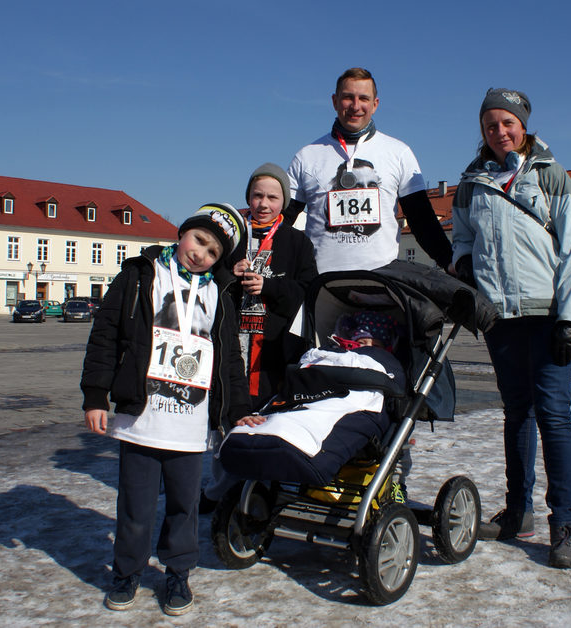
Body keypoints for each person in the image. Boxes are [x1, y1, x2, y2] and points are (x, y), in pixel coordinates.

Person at [81, 203, 252, 615]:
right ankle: (127, 573)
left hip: (190, 427)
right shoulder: (143, 275)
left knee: (184, 508)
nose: (201, 254)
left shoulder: (220, 293)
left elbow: (230, 358)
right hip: (141, 420)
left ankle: (178, 573)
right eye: (198, 240)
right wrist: (95, 395)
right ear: (183, 233)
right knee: (135, 508)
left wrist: (237, 409)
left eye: (213, 252)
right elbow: (105, 334)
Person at [451, 88, 571, 569]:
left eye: (507, 123)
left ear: (523, 125)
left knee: (554, 414)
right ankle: (519, 511)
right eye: (491, 125)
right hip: (501, 317)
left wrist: (570, 319)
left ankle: (565, 523)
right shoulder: (472, 181)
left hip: (549, 314)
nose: (500, 132)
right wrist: (464, 260)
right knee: (517, 412)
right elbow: (464, 234)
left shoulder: (550, 175)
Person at [286, 67, 452, 273]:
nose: (356, 106)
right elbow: (281, 221)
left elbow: (422, 219)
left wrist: (449, 261)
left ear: (375, 105)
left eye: (363, 98)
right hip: (321, 283)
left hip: (382, 283)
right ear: (335, 101)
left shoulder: (399, 152)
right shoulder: (307, 156)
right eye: (348, 97)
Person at [218, 311, 405, 487]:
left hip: (362, 390)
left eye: (376, 346)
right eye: (362, 342)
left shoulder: (386, 362)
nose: (368, 348)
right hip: (319, 385)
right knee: (294, 407)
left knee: (329, 415)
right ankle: (266, 433)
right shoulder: (332, 353)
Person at [232, 163, 319, 409]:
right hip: (232, 342)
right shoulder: (233, 235)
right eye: (257, 195)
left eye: (272, 197)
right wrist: (230, 275)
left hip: (274, 349)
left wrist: (269, 286)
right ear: (248, 197)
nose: (263, 204)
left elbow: (307, 291)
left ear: (284, 201)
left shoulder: (297, 241)